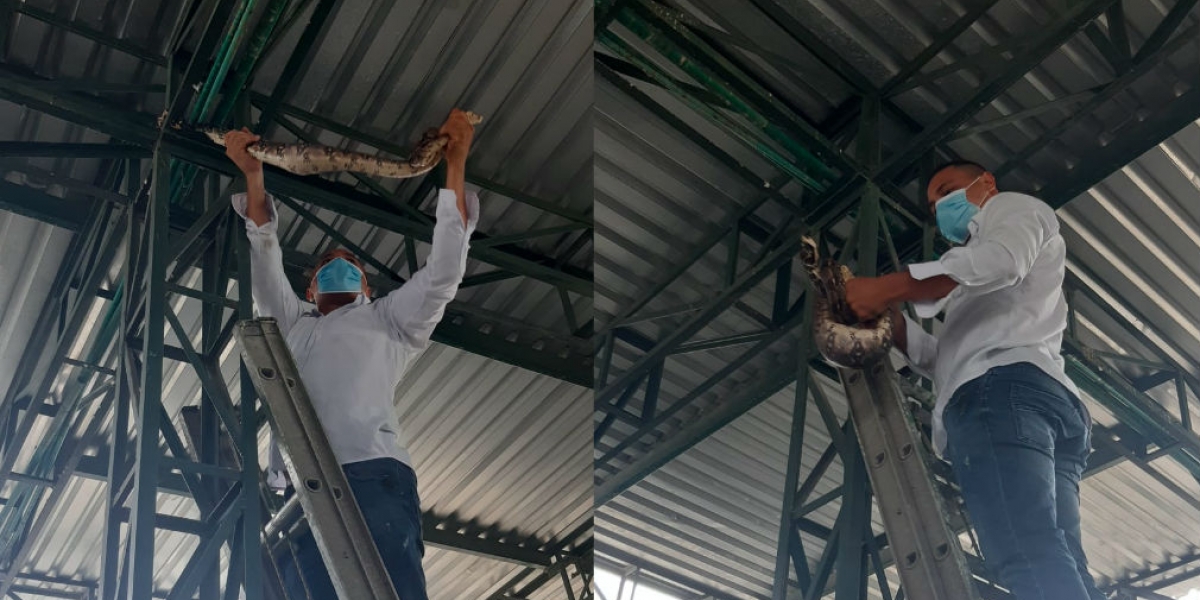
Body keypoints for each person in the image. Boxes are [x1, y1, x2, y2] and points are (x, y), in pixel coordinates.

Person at [223, 109, 480, 600]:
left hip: (370, 473)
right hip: (300, 488)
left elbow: (445, 270)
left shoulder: (391, 320)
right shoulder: (294, 323)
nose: (337, 265)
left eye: (351, 266)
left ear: (367, 286)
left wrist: (456, 164)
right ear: (309, 287)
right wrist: (253, 174)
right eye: (325, 265)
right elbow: (263, 253)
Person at [843, 160, 1106, 600]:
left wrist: (886, 287)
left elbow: (1000, 261)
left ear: (986, 183)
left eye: (947, 190)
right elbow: (946, 360)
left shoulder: (1010, 211)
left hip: (1003, 394)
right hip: (1035, 400)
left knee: (1023, 550)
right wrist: (894, 323)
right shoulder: (972, 287)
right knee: (1056, 554)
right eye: (932, 205)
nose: (940, 207)